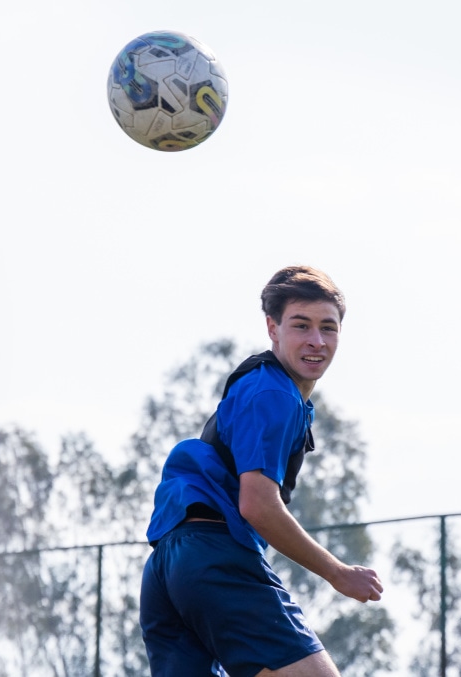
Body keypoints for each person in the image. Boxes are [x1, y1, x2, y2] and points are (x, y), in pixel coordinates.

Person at [139, 266, 383, 677]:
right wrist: (336, 572)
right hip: (211, 556)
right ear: (273, 328)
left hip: (168, 565)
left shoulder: (266, 386)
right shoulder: (274, 392)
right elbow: (256, 504)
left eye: (329, 328)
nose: (316, 341)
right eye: (301, 325)